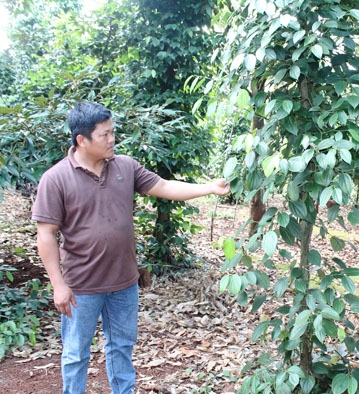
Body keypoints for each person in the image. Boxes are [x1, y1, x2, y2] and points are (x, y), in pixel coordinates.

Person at [32, 101, 230, 394]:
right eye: (105, 135)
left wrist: (209, 188)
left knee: (122, 348)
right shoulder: (56, 178)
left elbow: (163, 187)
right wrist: (57, 285)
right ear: (82, 140)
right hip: (81, 287)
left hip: (124, 283)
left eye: (113, 132)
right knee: (75, 355)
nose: (113, 139)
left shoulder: (125, 166)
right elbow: (45, 234)